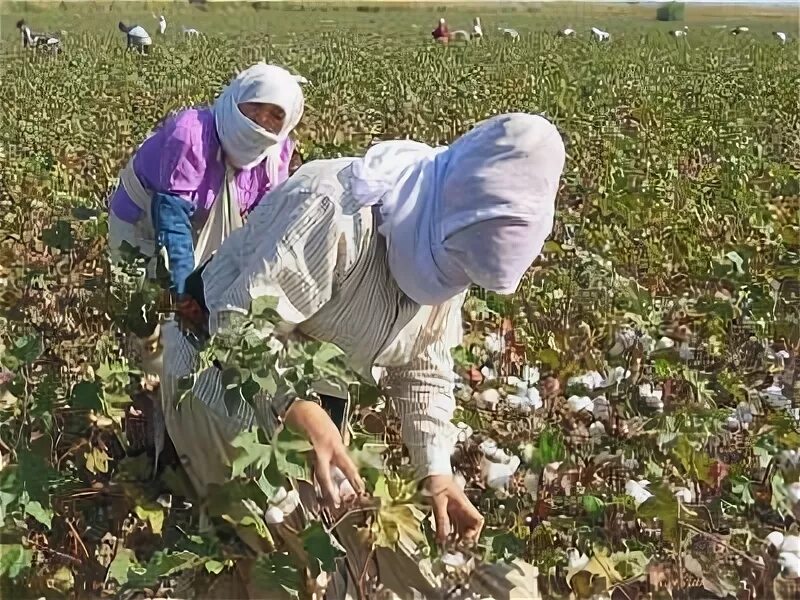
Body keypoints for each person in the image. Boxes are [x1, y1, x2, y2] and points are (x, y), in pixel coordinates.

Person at [158, 112, 566, 597]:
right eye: (456, 264)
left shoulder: (449, 243)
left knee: (381, 554)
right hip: (219, 385)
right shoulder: (335, 208)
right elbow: (236, 324)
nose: (454, 279)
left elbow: (426, 364)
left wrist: (435, 469)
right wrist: (296, 408)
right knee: (299, 569)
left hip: (316, 413)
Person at [107, 62, 305, 303]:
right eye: (255, 105)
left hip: (198, 224)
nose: (261, 119)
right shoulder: (192, 134)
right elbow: (171, 222)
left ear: (288, 123)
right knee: (140, 298)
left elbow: (265, 222)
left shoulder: (276, 155)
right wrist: (185, 292)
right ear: (237, 98)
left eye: (276, 114)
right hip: (141, 219)